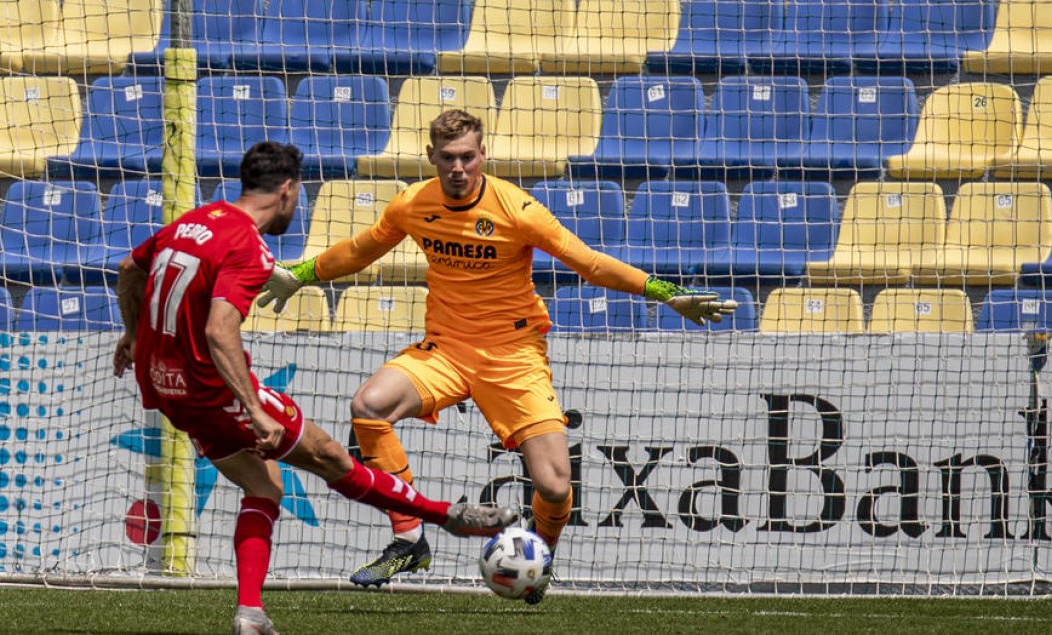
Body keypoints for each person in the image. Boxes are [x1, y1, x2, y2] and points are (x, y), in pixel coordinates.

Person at [258, 112, 737, 603]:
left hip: (513, 356)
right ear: (431, 157)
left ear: (482, 155)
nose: (458, 168)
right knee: (368, 405)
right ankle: (409, 539)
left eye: (467, 157)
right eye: (448, 158)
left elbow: (590, 263)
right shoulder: (412, 204)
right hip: (445, 350)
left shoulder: (517, 210)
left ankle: (539, 558)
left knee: (554, 486)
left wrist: (665, 293)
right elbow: (362, 249)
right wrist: (300, 275)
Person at [113, 141, 517, 635]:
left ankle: (250, 613)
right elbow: (220, 330)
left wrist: (133, 334)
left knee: (264, 486)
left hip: (162, 386)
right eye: (299, 194)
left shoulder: (193, 221)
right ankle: (447, 516)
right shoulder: (248, 247)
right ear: (287, 190)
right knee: (331, 458)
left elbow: (129, 269)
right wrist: (254, 410)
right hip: (211, 390)